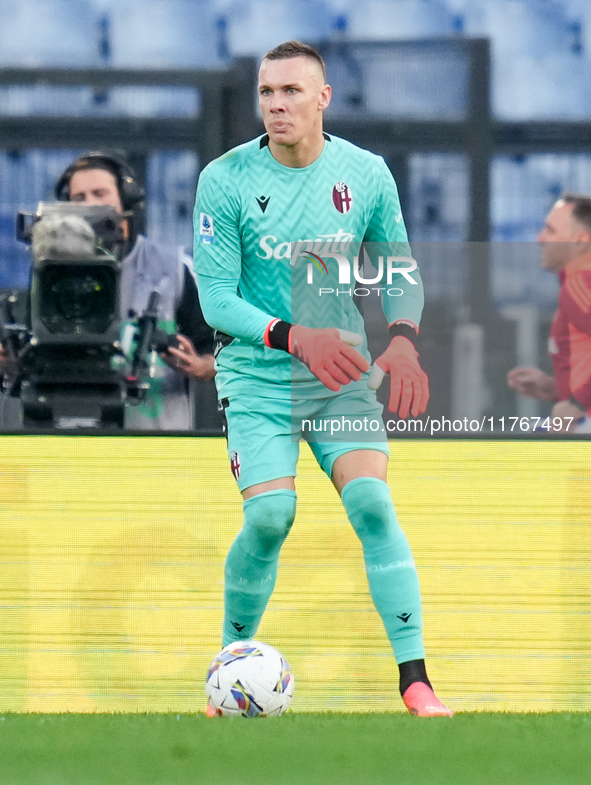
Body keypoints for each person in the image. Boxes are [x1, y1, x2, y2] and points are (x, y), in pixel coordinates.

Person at [193, 41, 452, 717]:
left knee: (372, 505)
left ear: (322, 97)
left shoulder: (364, 174)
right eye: (266, 93)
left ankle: (415, 679)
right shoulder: (224, 178)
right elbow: (215, 299)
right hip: (256, 375)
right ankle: (230, 668)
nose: (275, 104)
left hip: (337, 374)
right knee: (272, 516)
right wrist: (289, 334)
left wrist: (402, 341)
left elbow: (398, 270)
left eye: (290, 92)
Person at [55, 151, 216, 430]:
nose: (90, 205)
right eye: (79, 198)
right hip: (76, 451)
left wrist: (202, 366)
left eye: (99, 193)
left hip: (157, 454)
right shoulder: (52, 274)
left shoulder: (173, 269)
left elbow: (228, 353)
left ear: (126, 201)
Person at [507, 194, 591, 433]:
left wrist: (576, 405)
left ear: (580, 241)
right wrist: (555, 388)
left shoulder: (580, 284)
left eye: (551, 231)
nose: (540, 238)